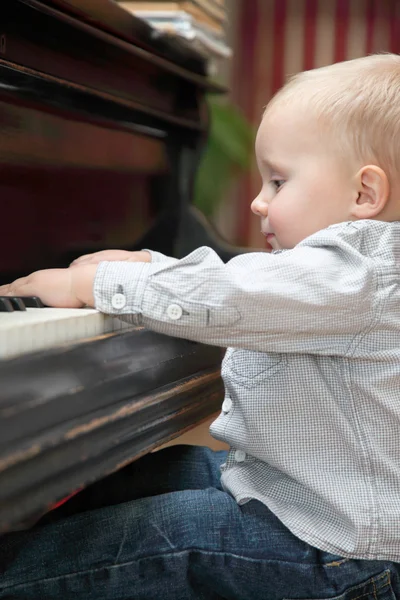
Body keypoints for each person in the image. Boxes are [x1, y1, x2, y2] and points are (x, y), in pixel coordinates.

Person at [1, 53, 400, 599]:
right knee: (145, 478)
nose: (259, 201)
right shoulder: (349, 273)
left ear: (364, 195)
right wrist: (150, 268)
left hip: (332, 552)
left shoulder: (361, 271)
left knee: (142, 539)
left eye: (278, 182)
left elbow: (234, 294)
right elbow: (248, 282)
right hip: (288, 497)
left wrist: (93, 285)